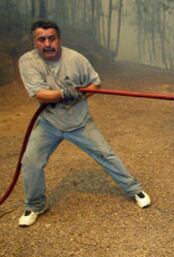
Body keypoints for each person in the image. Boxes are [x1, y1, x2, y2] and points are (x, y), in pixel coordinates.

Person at [17, 20, 151, 227]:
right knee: (30, 162)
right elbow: (40, 94)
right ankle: (35, 205)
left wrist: (80, 96)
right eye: (41, 39)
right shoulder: (27, 61)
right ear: (34, 42)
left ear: (59, 39)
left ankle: (135, 190)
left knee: (106, 155)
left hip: (79, 121)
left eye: (51, 38)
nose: (47, 44)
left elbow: (95, 82)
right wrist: (63, 93)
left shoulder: (76, 59)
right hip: (49, 124)